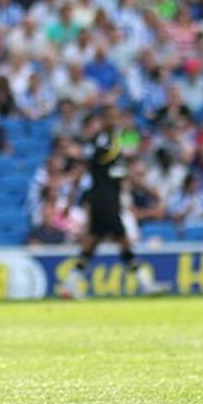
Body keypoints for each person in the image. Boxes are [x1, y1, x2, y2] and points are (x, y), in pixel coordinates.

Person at [62, 108, 156, 298]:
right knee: (124, 242)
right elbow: (84, 163)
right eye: (111, 118)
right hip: (104, 200)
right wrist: (70, 200)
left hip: (107, 199)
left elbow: (138, 146)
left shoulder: (116, 142)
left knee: (91, 245)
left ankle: (69, 285)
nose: (115, 121)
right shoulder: (103, 142)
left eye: (117, 117)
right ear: (103, 120)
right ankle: (145, 284)